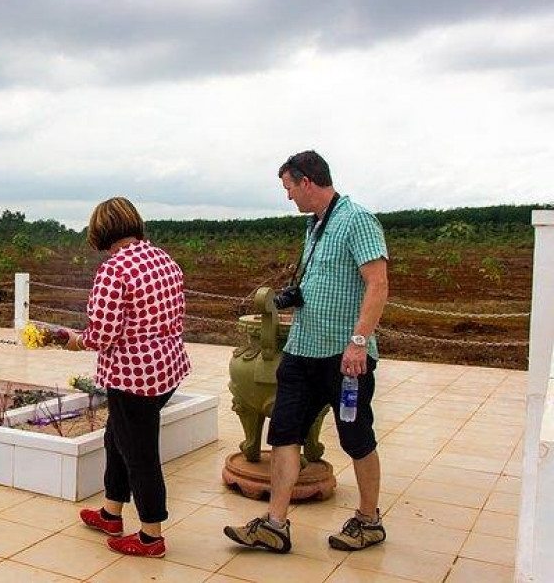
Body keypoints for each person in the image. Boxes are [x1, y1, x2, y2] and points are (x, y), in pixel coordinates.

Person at [224, 150, 389, 554]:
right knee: (285, 433)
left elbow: (378, 283)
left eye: (288, 188)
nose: (288, 197)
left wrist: (359, 342)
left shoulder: (357, 220)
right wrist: (287, 298)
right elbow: (318, 283)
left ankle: (369, 522)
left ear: (307, 182)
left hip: (344, 356)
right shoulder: (315, 226)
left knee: (356, 437)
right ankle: (275, 525)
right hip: (302, 350)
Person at [66, 197, 190, 558]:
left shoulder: (114, 269)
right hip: (166, 369)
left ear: (101, 232)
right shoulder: (163, 259)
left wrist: (72, 341)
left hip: (132, 378)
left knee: (140, 455)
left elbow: (102, 334)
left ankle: (152, 536)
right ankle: (111, 511)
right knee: (116, 438)